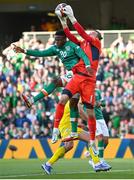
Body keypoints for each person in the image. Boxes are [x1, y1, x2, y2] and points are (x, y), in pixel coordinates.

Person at [12, 30, 93, 143]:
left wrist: (88, 65)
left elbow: (83, 55)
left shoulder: (72, 45)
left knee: (62, 89)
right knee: (71, 100)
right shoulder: (55, 48)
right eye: (56, 39)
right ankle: (74, 132)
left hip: (79, 74)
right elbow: (41, 53)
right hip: (72, 75)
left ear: (65, 39)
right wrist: (24, 51)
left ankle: (32, 100)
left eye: (59, 40)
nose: (57, 42)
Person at [52, 4, 102, 148]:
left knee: (90, 113)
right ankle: (56, 130)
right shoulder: (82, 43)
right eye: (91, 33)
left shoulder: (96, 43)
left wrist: (72, 17)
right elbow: (69, 36)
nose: (91, 33)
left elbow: (83, 33)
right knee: (63, 99)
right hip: (77, 76)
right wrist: (63, 21)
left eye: (94, 33)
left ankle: (92, 140)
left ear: (97, 37)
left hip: (89, 80)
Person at [41, 101, 110, 174]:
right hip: (67, 126)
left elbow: (73, 113)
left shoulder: (73, 98)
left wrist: (98, 103)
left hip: (66, 126)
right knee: (90, 138)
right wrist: (90, 121)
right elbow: (80, 111)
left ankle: (47, 164)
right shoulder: (76, 98)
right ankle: (97, 163)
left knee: (69, 146)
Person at [78, 84, 112, 170]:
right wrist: (86, 118)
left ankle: (94, 154)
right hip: (93, 118)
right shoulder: (84, 93)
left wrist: (100, 103)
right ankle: (100, 161)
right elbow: (80, 106)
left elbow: (103, 103)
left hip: (101, 118)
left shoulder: (97, 91)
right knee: (100, 137)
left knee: (106, 141)